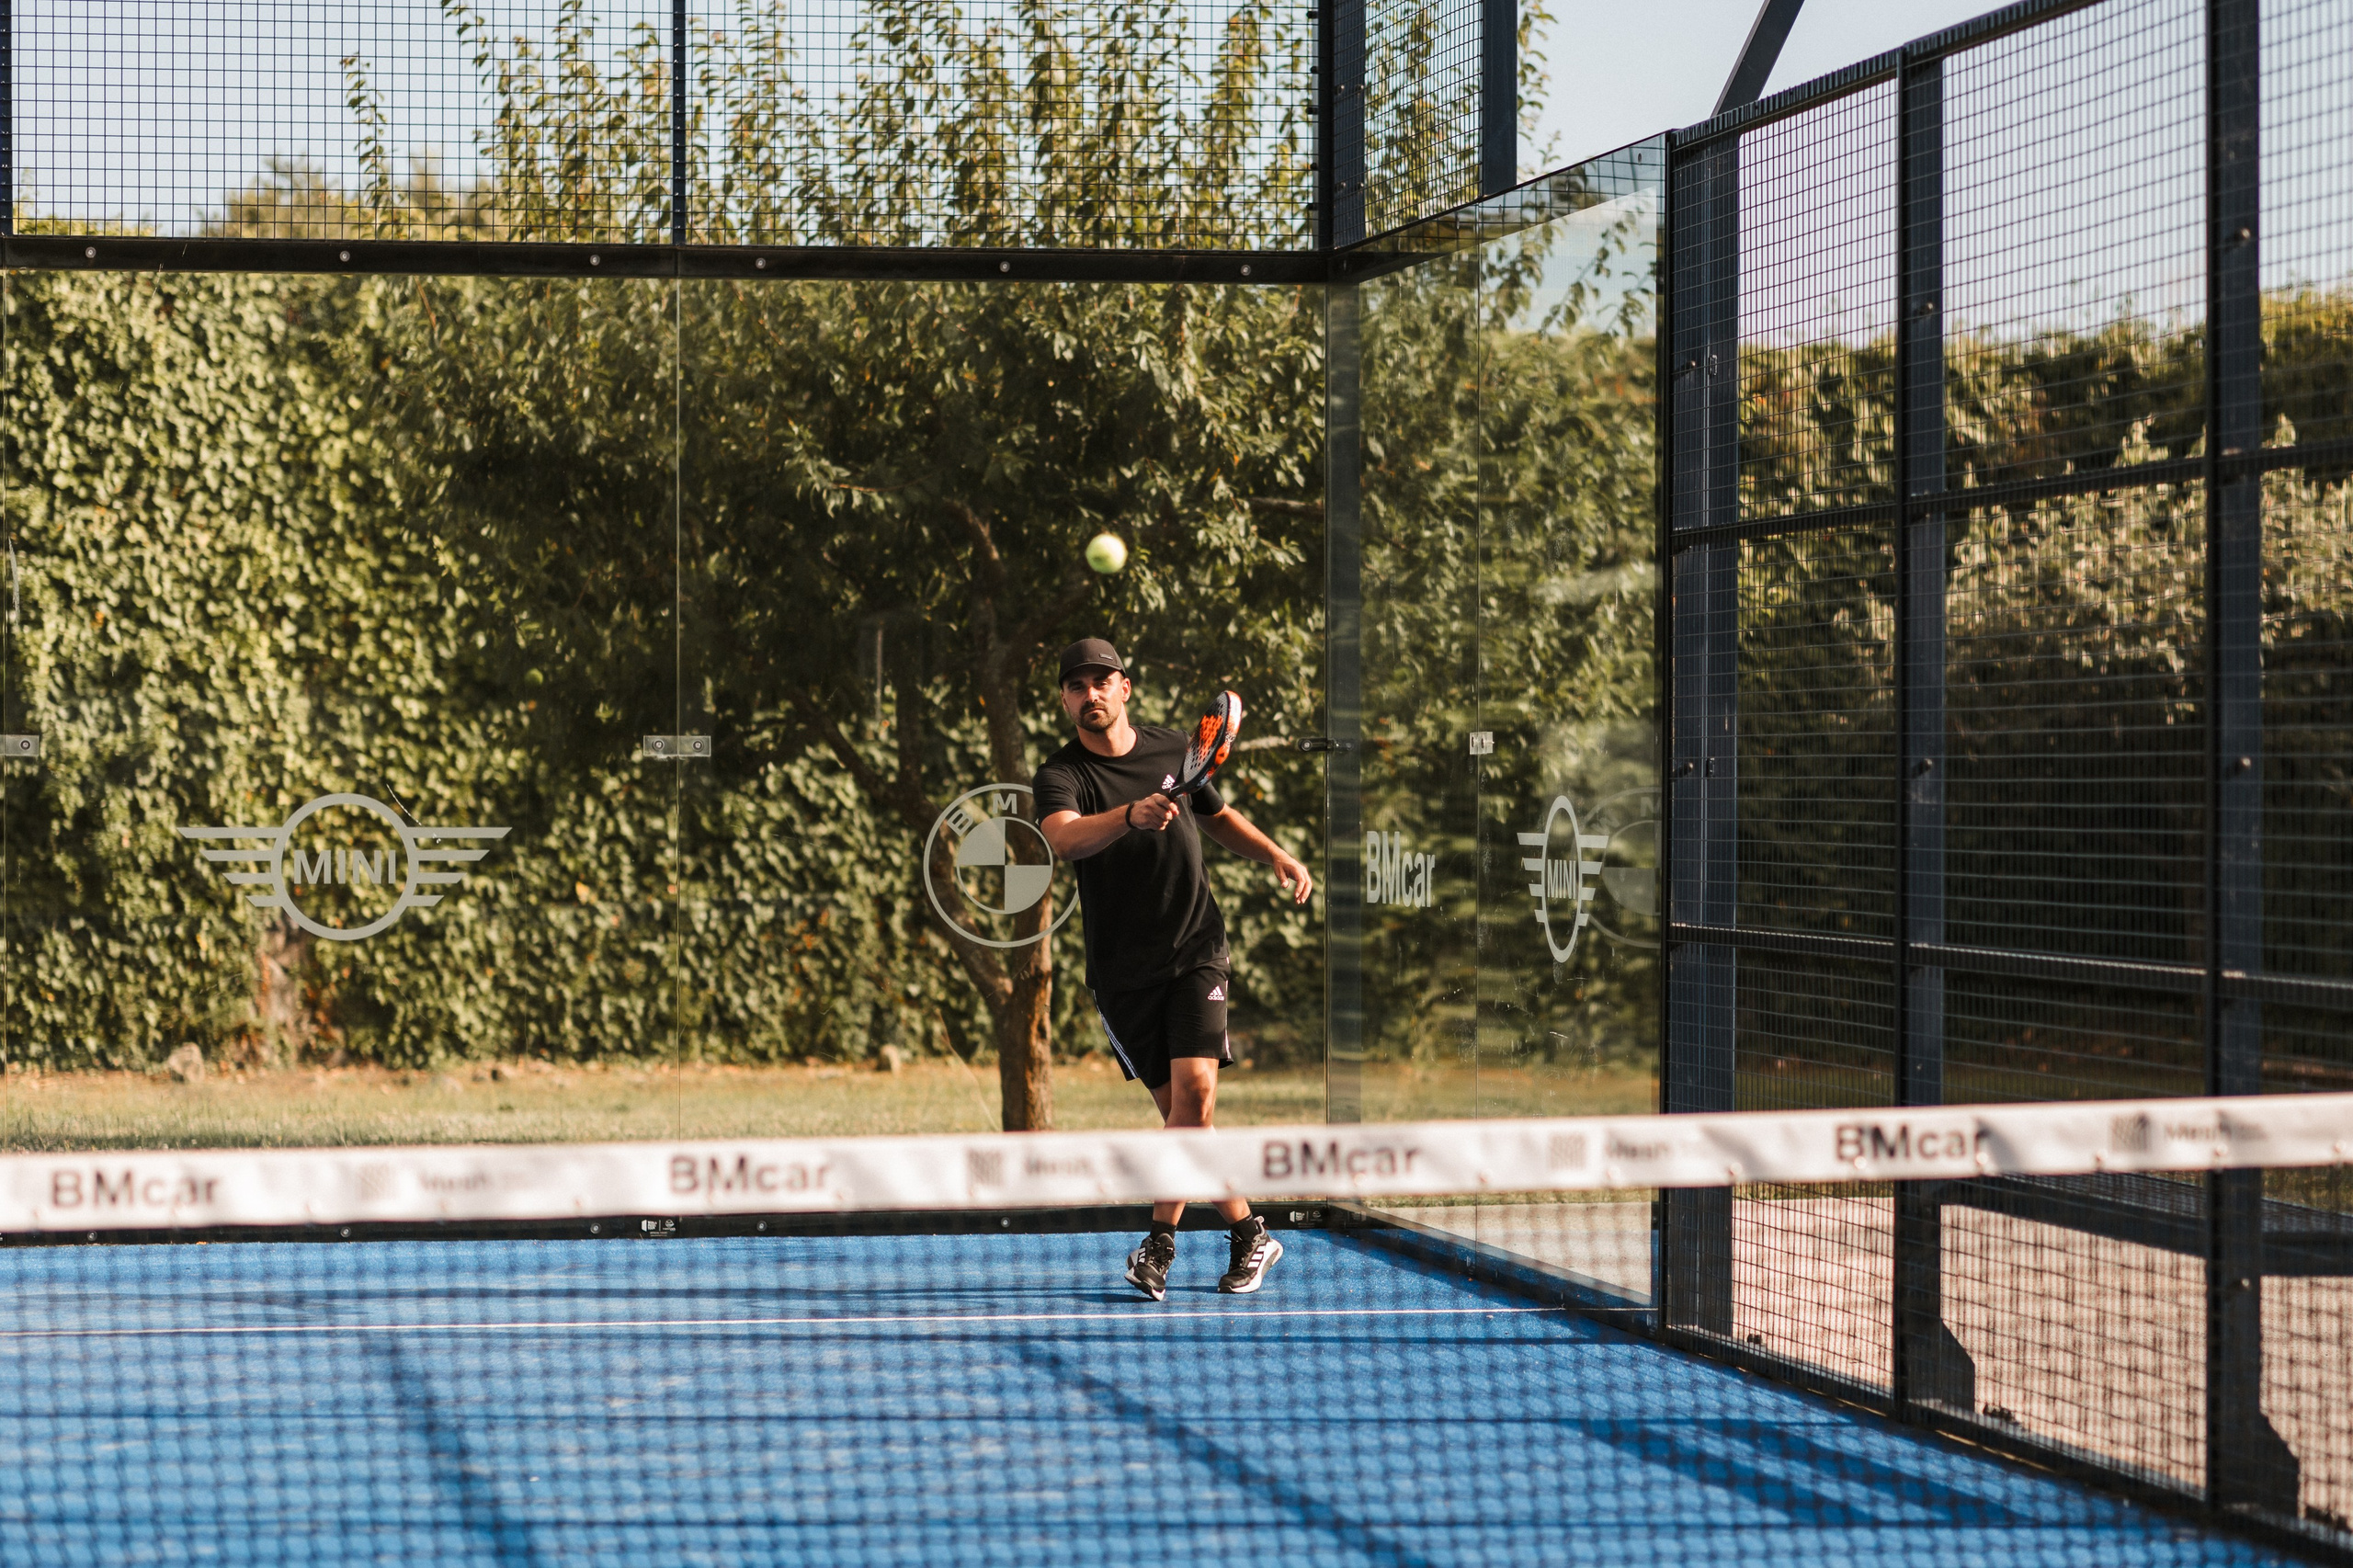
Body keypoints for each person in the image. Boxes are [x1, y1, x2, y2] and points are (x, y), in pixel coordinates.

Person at [1033, 638, 1314, 1301]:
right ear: (1066, 699)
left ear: (1125, 687)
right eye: (1077, 686)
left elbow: (1214, 816)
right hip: (1123, 973)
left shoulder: (1173, 754)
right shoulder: (1060, 773)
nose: (1091, 694)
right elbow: (1063, 837)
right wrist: (1129, 816)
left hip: (1196, 949)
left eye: (1102, 681)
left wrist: (1275, 853)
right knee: (1187, 1124)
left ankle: (1158, 1243)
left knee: (1196, 1098)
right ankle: (1252, 1234)